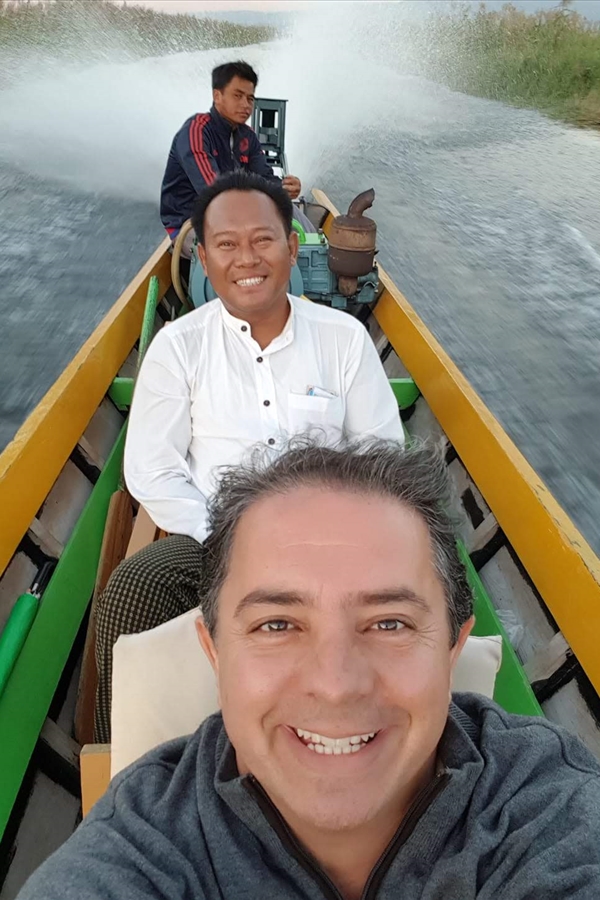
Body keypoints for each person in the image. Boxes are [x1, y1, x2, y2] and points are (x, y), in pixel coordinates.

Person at [19, 440, 600, 899]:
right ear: (214, 652)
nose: (336, 685)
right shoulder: (141, 849)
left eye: (390, 623)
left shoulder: (548, 810)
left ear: (453, 650)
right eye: (277, 625)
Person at [93, 171, 404, 743]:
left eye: (263, 240)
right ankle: (129, 772)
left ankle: (402, 747)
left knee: (437, 586)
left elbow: (381, 454)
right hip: (215, 540)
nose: (246, 259)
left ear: (292, 249)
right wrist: (225, 535)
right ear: (204, 260)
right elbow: (153, 470)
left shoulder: (343, 339)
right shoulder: (178, 347)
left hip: (332, 541)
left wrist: (334, 534)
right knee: (134, 587)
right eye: (226, 244)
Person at [160, 59, 310, 256]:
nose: (245, 105)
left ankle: (317, 257)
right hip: (191, 223)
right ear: (217, 96)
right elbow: (214, 192)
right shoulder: (196, 131)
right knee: (249, 245)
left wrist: (285, 188)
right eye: (237, 96)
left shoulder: (248, 136)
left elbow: (266, 178)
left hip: (238, 215)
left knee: (290, 210)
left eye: (250, 98)